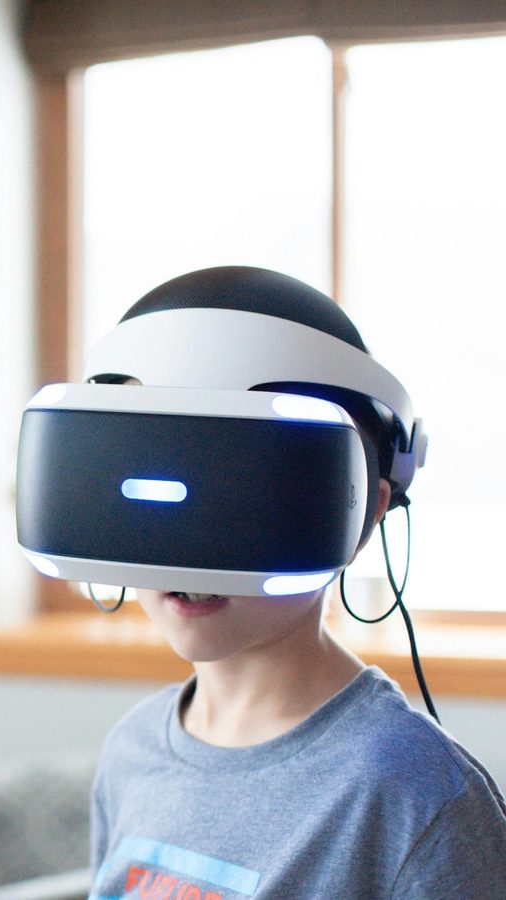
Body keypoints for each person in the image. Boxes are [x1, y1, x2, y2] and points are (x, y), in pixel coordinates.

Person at [82, 268, 506, 898]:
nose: (193, 554)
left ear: (362, 512)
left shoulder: (414, 793)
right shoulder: (131, 752)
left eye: (243, 488)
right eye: (161, 484)